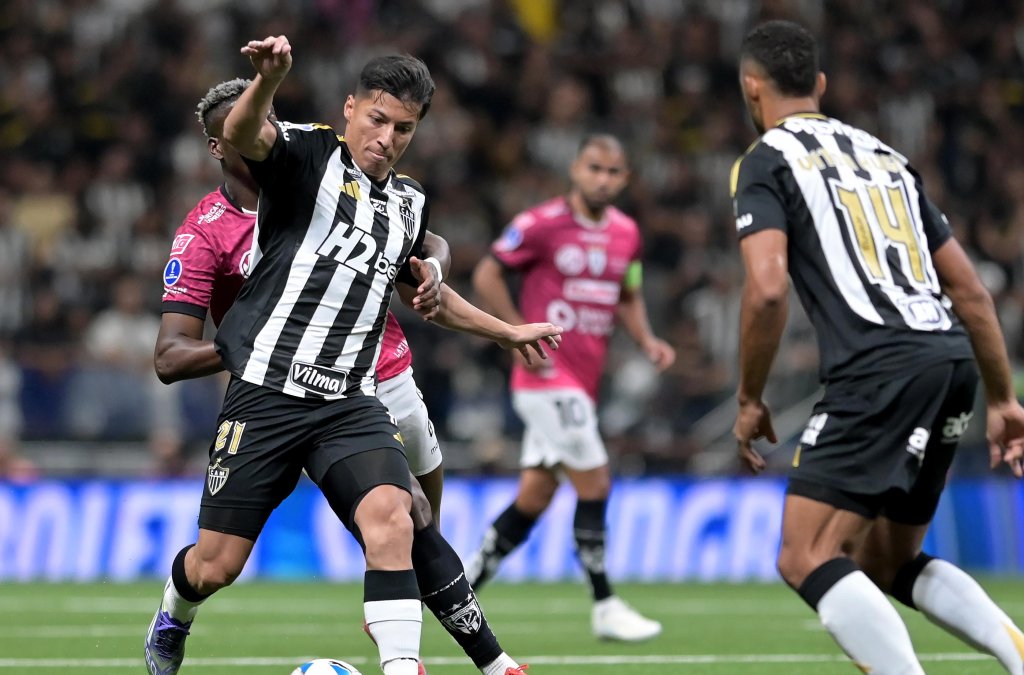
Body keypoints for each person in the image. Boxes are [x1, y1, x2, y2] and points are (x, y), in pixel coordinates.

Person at [143, 37, 557, 675]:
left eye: (404, 128)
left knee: (398, 516)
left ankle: (408, 666)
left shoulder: (408, 202)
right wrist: (269, 80)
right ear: (349, 109)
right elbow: (245, 132)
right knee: (214, 565)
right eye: (377, 120)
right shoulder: (306, 156)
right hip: (267, 394)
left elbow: (429, 290)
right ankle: (177, 607)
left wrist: (505, 331)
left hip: (349, 396)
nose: (387, 137)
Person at [730, 21, 1024, 675]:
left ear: (751, 87)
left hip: (876, 367)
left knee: (803, 554)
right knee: (888, 559)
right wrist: (1002, 397)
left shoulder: (765, 160)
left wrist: (749, 397)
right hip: (949, 362)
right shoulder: (886, 157)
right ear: (821, 85)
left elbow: (767, 289)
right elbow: (970, 290)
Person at [465, 134, 675, 642]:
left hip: (582, 381)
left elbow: (628, 292)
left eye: (613, 172)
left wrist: (646, 339)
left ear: (625, 179)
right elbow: (487, 272)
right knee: (596, 482)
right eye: (594, 168)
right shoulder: (539, 225)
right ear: (575, 169)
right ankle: (605, 604)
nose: (603, 179)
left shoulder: (627, 233)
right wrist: (513, 332)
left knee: (535, 495)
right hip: (543, 376)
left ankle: (459, 587)